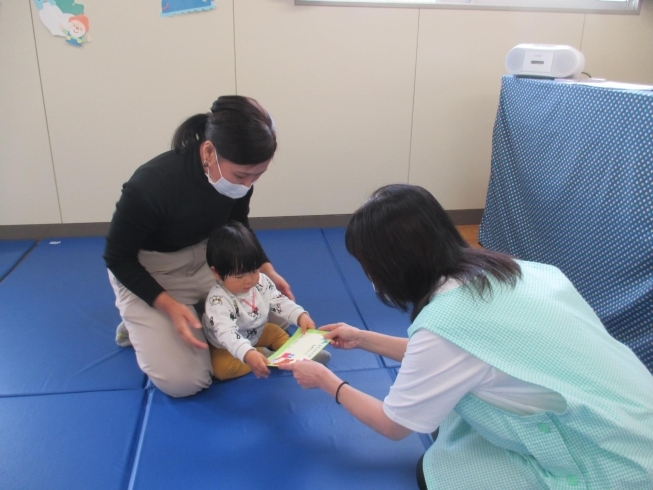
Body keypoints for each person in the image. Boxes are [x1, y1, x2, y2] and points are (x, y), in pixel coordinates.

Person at [280, 184, 653, 489]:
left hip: (613, 459)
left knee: (434, 472)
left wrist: (327, 381)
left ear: (392, 266)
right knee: (451, 421)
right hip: (637, 409)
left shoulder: (446, 322)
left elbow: (394, 425)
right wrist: (363, 338)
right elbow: (459, 353)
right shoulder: (520, 271)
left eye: (369, 267)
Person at [104, 95, 293, 397]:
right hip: (152, 268)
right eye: (242, 175)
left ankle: (191, 312)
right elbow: (117, 257)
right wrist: (167, 305)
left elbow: (238, 223)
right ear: (208, 151)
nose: (247, 185)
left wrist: (265, 268)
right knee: (186, 382)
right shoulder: (150, 187)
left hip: (209, 257)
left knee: (280, 313)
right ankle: (139, 321)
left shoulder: (238, 179)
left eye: (257, 175)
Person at [202, 221, 330, 381]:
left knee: (277, 333)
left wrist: (300, 316)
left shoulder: (261, 281)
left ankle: (304, 354)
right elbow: (227, 334)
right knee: (221, 369)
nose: (249, 281)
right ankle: (266, 355)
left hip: (257, 331)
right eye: (239, 276)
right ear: (216, 272)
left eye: (254, 271)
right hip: (224, 346)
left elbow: (279, 302)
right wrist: (248, 354)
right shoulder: (218, 301)